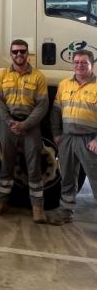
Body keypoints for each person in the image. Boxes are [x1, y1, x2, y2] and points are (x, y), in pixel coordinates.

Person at [0, 39, 49, 223]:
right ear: (11, 54)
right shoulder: (3, 75)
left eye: (22, 52)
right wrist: (9, 121)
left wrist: (26, 124)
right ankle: (1, 202)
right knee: (6, 164)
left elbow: (42, 105)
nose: (19, 55)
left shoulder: (38, 77)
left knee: (34, 166)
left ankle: (37, 207)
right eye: (15, 52)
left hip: (30, 127)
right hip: (8, 125)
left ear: (27, 53)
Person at [48, 49, 97, 225]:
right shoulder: (64, 85)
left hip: (89, 140)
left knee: (95, 179)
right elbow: (55, 111)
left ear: (92, 65)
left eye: (84, 62)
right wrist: (56, 133)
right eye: (76, 62)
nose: (79, 66)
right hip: (67, 138)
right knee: (67, 177)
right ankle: (65, 212)